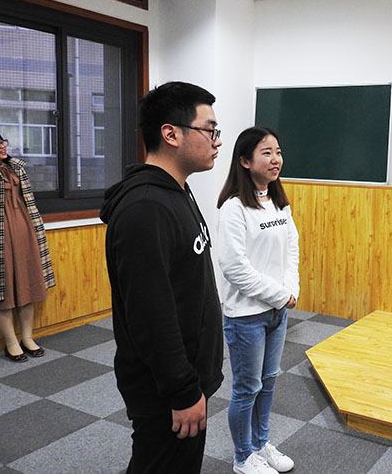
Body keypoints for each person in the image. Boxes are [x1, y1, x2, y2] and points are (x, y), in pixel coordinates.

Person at [100, 81, 224, 473]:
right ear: (171, 134)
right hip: (166, 390)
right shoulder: (146, 208)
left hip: (188, 378)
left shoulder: (178, 192)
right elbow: (150, 314)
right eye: (210, 130)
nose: (218, 141)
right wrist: (182, 391)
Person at [217, 126, 300, 474]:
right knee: (247, 388)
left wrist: (291, 289)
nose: (275, 159)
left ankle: (261, 444)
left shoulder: (279, 203)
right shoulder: (233, 208)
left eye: (278, 151)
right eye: (266, 152)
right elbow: (235, 269)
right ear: (245, 161)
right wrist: (282, 294)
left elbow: (292, 249)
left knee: (268, 383)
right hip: (246, 316)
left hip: (277, 312)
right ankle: (242, 457)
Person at [0, 134, 55, 362]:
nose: (2, 147)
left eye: (2, 142)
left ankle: (28, 337)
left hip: (24, 226)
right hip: (2, 233)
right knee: (4, 290)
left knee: (27, 283)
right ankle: (11, 342)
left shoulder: (16, 167)